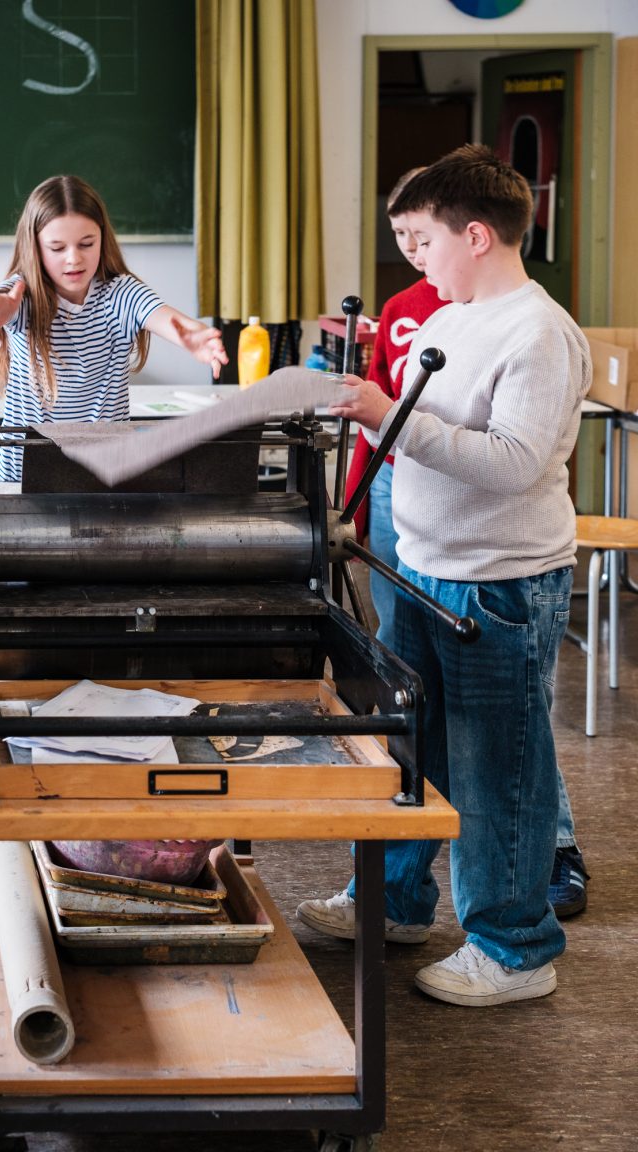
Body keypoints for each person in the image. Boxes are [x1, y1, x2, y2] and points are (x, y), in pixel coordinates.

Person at [321, 144, 591, 1005]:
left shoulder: (539, 333)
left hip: (498, 584)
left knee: (495, 766)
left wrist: (384, 418)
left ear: (476, 235)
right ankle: (393, 901)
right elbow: (422, 432)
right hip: (424, 569)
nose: (415, 260)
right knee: (411, 751)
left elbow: (511, 462)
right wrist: (362, 419)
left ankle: (514, 950)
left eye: (424, 241)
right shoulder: (447, 315)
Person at [0, 174, 228, 482]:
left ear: (103, 238)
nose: (74, 258)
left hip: (102, 470)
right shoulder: (24, 295)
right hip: (23, 474)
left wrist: (193, 336)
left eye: (86, 244)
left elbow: (163, 317)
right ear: (34, 247)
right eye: (57, 248)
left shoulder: (120, 294)